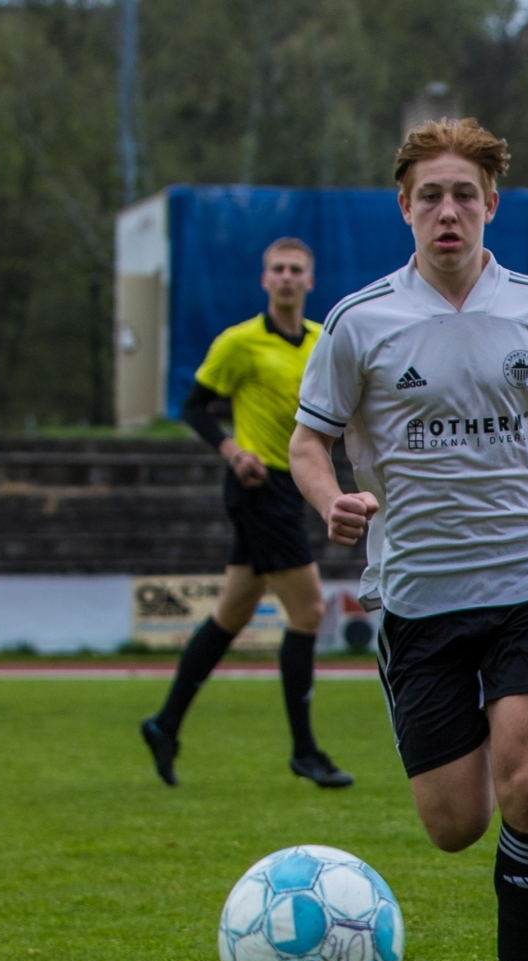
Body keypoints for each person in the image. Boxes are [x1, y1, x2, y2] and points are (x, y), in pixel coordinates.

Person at [289, 118, 528, 961]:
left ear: (492, 204)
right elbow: (308, 442)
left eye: (464, 195)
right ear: (404, 207)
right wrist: (330, 498)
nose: (448, 211)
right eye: (430, 196)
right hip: (418, 598)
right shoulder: (359, 322)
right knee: (454, 824)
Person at [140, 238, 352, 789]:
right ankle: (305, 751)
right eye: (277, 269)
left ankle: (164, 725)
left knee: (231, 615)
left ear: (310, 281)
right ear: (264, 280)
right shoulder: (239, 342)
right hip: (258, 488)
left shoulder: (322, 342)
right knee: (308, 611)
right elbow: (193, 407)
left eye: (296, 270)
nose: (286, 277)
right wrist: (233, 451)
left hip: (292, 487)